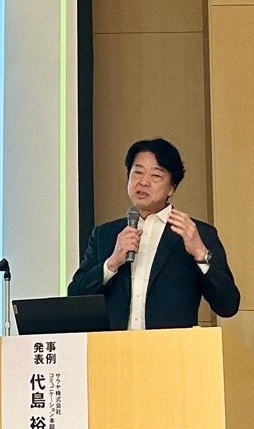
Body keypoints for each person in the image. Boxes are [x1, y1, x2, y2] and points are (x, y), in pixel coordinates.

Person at [68, 138, 239, 330]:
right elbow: (75, 298)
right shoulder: (104, 234)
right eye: (137, 172)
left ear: (171, 188)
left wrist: (201, 254)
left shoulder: (197, 234)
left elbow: (228, 306)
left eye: (156, 176)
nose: (143, 182)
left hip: (171, 347)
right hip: (113, 347)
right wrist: (112, 263)